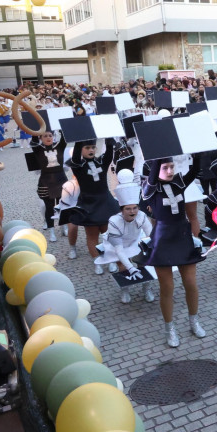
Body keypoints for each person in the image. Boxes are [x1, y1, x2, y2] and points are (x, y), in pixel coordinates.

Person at [141, 156, 206, 347]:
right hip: (162, 239)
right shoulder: (150, 187)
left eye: (171, 167)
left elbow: (195, 170)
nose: (170, 171)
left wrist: (197, 150)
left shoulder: (179, 182)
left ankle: (194, 321)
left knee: (191, 283)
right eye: (165, 168)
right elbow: (153, 177)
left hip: (182, 236)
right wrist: (158, 152)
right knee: (167, 287)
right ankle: (170, 328)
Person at [95, 169, 155, 304]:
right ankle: (125, 289)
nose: (132, 211)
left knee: (145, 261)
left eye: (135, 208)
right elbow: (119, 250)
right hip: (118, 245)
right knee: (122, 265)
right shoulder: (114, 222)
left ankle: (147, 288)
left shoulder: (142, 216)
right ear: (122, 210)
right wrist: (131, 268)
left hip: (137, 240)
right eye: (128, 209)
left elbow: (150, 236)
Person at [66, 138, 120, 268]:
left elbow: (108, 154)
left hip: (105, 202)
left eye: (93, 147)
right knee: (92, 236)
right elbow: (75, 157)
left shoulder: (101, 161)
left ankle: (111, 259)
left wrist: (108, 140)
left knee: (108, 235)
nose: (91, 150)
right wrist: (78, 138)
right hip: (88, 204)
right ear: (81, 150)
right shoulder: (78, 165)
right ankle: (97, 262)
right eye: (87, 148)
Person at [30, 129, 67, 242]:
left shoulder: (59, 147)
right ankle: (51, 230)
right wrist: (36, 129)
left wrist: (61, 128)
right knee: (49, 207)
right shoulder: (38, 149)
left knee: (62, 206)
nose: (48, 137)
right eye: (45, 136)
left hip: (60, 179)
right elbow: (34, 139)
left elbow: (64, 139)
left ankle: (63, 226)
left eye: (50, 135)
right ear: (41, 138)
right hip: (46, 181)